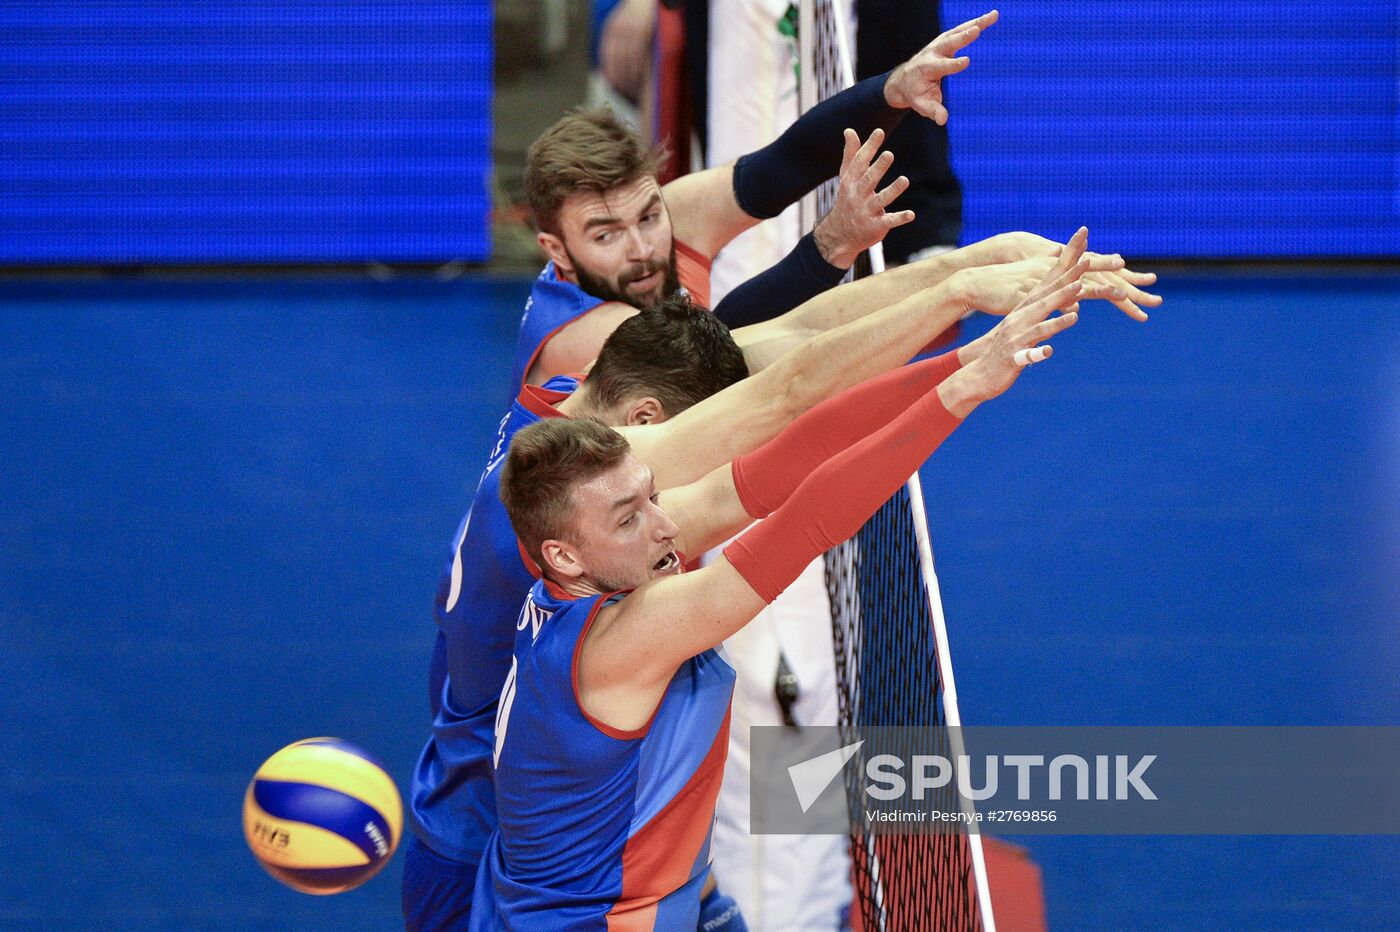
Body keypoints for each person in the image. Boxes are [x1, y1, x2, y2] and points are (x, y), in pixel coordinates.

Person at [404, 229, 1127, 928]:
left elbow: (775, 460)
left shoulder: (582, 557)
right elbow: (807, 516)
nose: (665, 526)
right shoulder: (628, 635)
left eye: (653, 495)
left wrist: (970, 351)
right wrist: (963, 389)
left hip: (636, 898)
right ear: (563, 554)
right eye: (631, 517)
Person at [513, 10, 1003, 391]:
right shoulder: (588, 338)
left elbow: (784, 164)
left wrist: (891, 90)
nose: (641, 247)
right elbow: (726, 349)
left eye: (647, 215)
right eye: (605, 234)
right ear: (556, 251)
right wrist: (843, 249)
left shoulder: (672, 216)